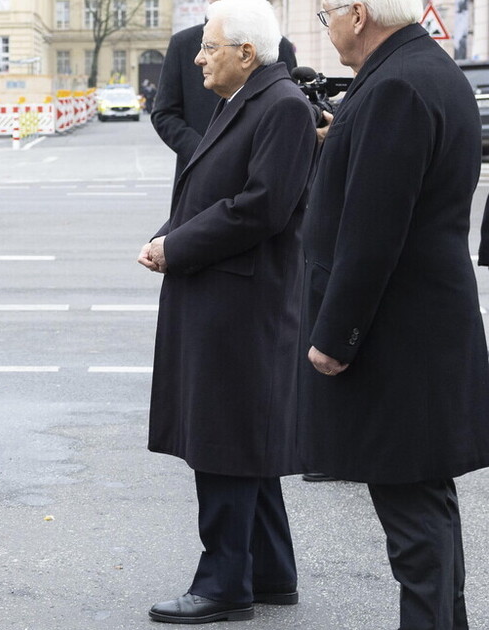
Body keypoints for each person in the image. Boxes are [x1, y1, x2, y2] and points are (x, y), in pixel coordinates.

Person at [303, 0, 489, 627]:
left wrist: (336, 336)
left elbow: (373, 232)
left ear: (358, 13)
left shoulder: (398, 86)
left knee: (414, 524)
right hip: (425, 328)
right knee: (427, 508)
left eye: (327, 13)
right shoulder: (426, 71)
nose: (325, 28)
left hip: (397, 337)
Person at [137, 0, 315, 623]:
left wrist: (177, 245)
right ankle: (268, 572)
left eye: (208, 47)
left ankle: (224, 585)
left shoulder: (282, 106)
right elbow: (207, 187)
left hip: (242, 304)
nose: (197, 57)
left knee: (225, 445)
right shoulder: (251, 100)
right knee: (245, 444)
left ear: (245, 51)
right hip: (228, 296)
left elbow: (259, 207)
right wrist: (167, 234)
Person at [151, 0, 296, 179]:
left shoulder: (278, 45)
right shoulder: (183, 43)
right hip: (199, 174)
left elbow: (288, 110)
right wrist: (205, 152)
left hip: (257, 172)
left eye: (210, 48)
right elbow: (164, 114)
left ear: (247, 53)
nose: (200, 59)